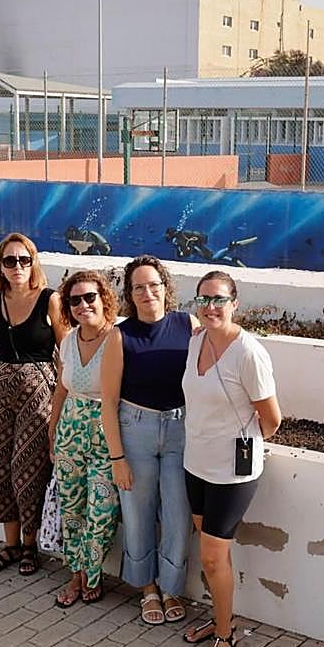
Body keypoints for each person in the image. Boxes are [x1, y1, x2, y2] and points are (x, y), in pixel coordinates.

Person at [181, 270, 282, 647]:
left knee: (211, 557)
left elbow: (271, 419)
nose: (210, 307)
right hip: (196, 464)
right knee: (211, 556)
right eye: (204, 299)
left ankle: (225, 633)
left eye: (219, 299)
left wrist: (243, 442)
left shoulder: (249, 353)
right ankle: (220, 617)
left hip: (231, 473)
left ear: (234, 303)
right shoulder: (195, 342)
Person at [101, 255, 198, 626]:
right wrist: (117, 458)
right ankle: (147, 589)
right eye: (138, 287)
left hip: (179, 429)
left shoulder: (186, 324)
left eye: (153, 285)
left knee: (177, 512)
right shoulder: (120, 335)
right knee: (138, 515)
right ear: (129, 292)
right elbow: (108, 402)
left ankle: (172, 587)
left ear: (165, 287)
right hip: (135, 428)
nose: (147, 293)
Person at [0, 233, 67, 576]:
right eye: (10, 260)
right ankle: (10, 545)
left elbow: (64, 352)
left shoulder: (50, 300)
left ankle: (31, 546)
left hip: (38, 396)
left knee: (29, 467)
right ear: (1, 265)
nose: (17, 267)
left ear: (34, 263)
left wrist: (56, 393)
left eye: (23, 260)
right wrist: (6, 377)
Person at [49, 270, 121, 607]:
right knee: (72, 508)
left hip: (107, 434)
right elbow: (62, 389)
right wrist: (52, 433)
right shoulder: (68, 340)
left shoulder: (118, 339)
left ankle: (91, 573)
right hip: (70, 432)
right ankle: (77, 576)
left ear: (103, 298)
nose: (82, 305)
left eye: (89, 297)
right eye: (74, 300)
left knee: (101, 509)